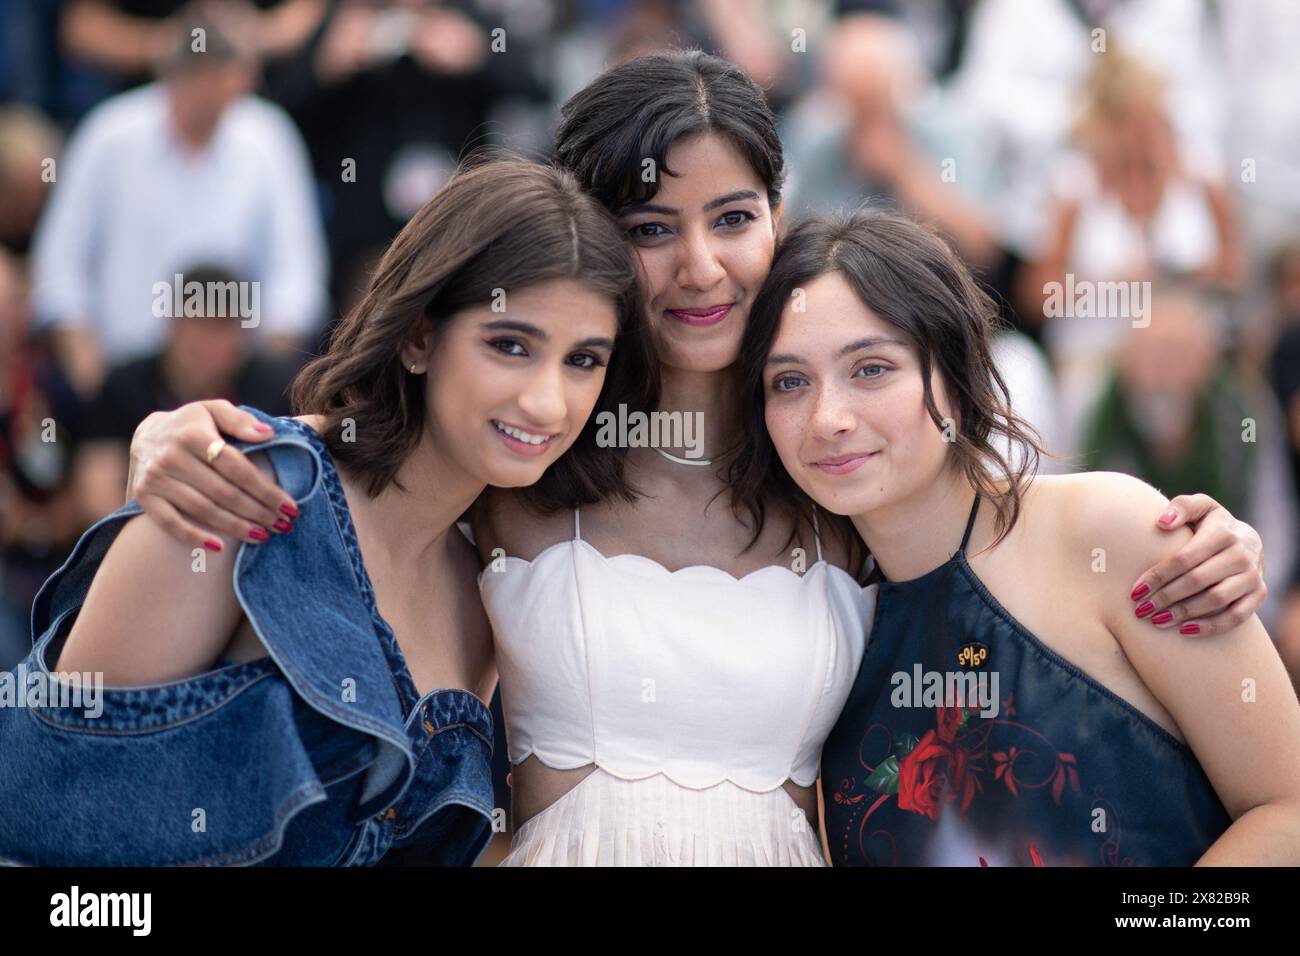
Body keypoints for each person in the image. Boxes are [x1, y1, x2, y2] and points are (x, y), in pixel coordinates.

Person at [121, 51, 1269, 867]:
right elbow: (362, 473)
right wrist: (169, 439)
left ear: (777, 214)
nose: (700, 266)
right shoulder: (525, 463)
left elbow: (1012, 547)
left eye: (731, 217)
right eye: (650, 226)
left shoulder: (839, 484)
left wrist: (1209, 539)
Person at [0, 154, 648, 866]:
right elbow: (44, 800)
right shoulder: (242, 486)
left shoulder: (488, 588)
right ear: (419, 336)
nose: (546, 402)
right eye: (510, 345)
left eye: (583, 361)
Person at [739, 208, 1300, 865]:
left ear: (956, 369)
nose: (827, 418)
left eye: (870, 369)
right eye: (790, 382)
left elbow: (1285, 810)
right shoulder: (822, 628)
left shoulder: (1109, 531)